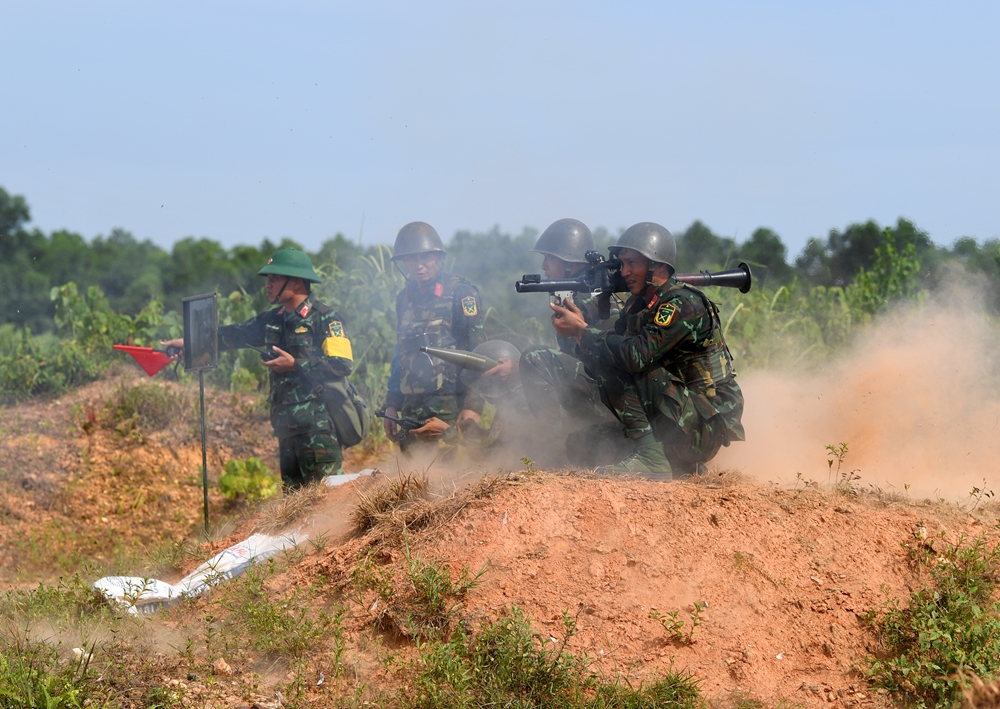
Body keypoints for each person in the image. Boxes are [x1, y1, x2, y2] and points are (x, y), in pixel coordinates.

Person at [550, 222, 745, 478]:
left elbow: (635, 356)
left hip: (702, 424)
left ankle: (653, 460)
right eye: (623, 263)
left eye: (633, 263)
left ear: (659, 266)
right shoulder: (638, 305)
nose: (625, 271)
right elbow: (605, 352)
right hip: (674, 418)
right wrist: (581, 329)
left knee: (622, 360)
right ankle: (677, 464)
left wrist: (582, 331)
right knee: (581, 444)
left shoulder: (682, 303)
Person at [163, 248, 354, 488]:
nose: (268, 285)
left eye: (275, 279)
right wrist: (189, 344)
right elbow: (231, 336)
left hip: (318, 431)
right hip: (286, 430)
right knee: (294, 510)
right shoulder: (272, 320)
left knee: (326, 500)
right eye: (268, 280)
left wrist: (295, 364)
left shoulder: (325, 319)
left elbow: (342, 364)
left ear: (295, 281)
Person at [484, 218, 612, 434]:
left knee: (535, 357)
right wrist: (522, 369)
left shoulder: (588, 298)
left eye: (550, 258)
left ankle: (553, 443)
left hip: (610, 400)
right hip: (607, 395)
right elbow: (575, 362)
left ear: (570, 262)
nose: (544, 266)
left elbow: (602, 362)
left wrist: (529, 365)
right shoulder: (582, 293)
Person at [383, 221, 486, 449]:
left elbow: (478, 353)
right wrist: (392, 404)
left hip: (450, 405)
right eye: (411, 259)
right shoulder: (404, 298)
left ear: (438, 258)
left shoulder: (461, 293)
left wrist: (473, 406)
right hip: (412, 405)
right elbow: (401, 352)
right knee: (412, 477)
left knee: (453, 475)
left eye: (425, 258)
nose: (418, 265)